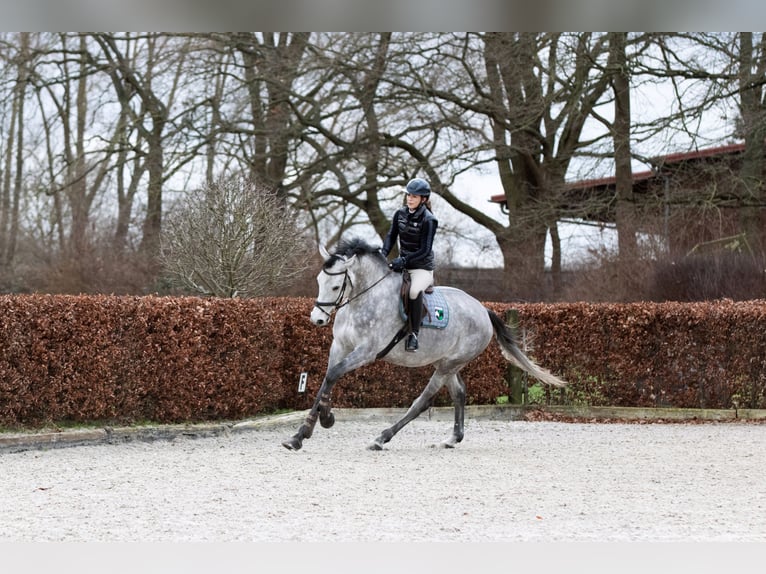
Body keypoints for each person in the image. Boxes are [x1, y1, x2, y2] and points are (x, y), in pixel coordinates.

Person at [381, 177, 438, 352]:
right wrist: (383, 253)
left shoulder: (429, 220)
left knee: (413, 291)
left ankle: (414, 334)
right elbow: (391, 236)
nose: (410, 199)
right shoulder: (400, 214)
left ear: (424, 199)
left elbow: (425, 250)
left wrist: (404, 260)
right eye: (408, 195)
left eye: (414, 196)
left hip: (422, 268)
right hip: (403, 264)